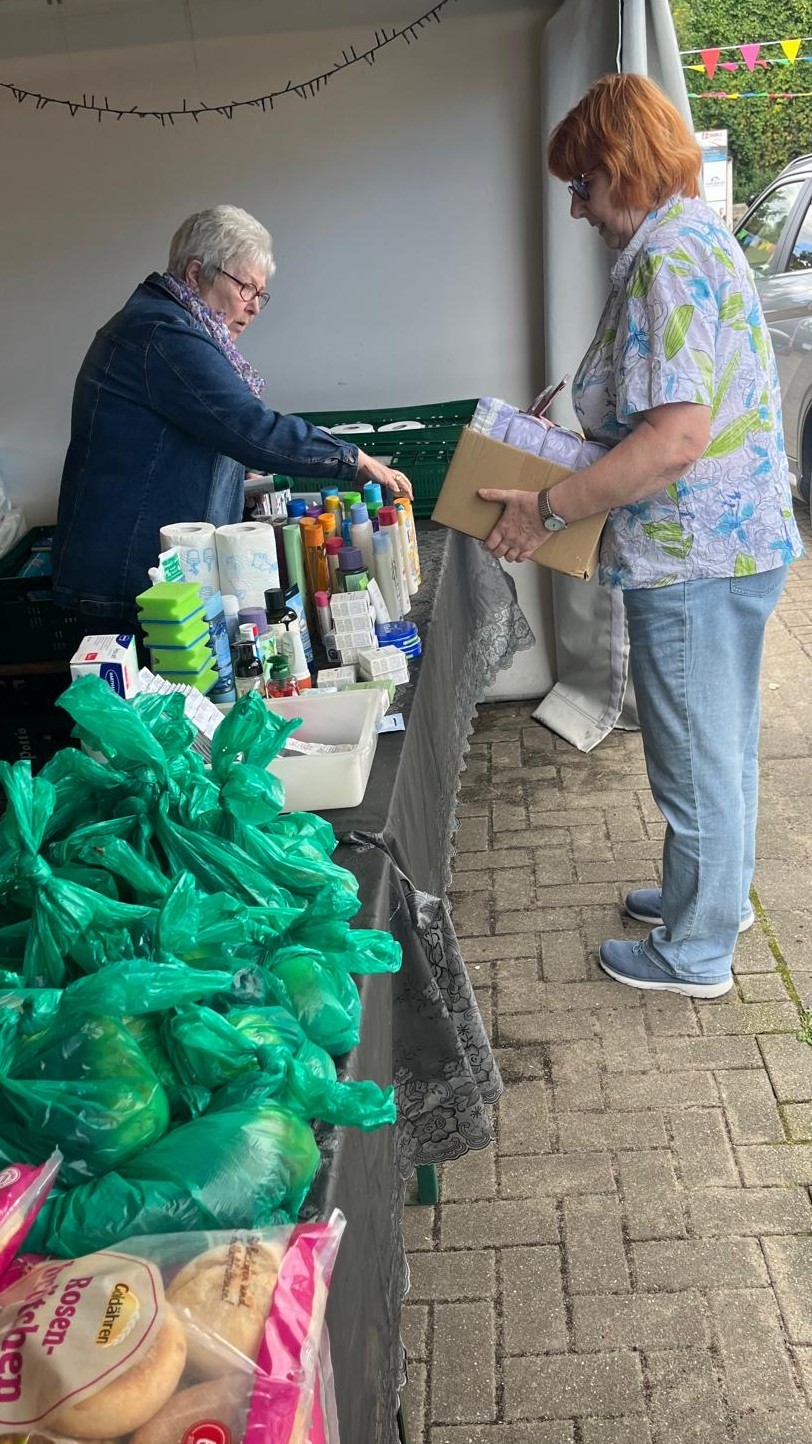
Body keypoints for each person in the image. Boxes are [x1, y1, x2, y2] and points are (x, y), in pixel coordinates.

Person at [480, 73, 804, 1000]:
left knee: (695, 752)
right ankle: (713, 899)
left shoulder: (669, 258)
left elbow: (673, 440)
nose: (576, 209)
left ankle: (696, 952)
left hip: (696, 551)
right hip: (726, 544)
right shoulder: (690, 238)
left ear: (619, 166)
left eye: (580, 185)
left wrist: (548, 505)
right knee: (719, 740)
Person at [52, 204, 411, 627]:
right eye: (246, 288)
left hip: (144, 576)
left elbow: (198, 431)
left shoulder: (166, 324)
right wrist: (351, 459)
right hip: (127, 583)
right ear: (194, 274)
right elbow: (246, 424)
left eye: (261, 294)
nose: (255, 306)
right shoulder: (161, 334)